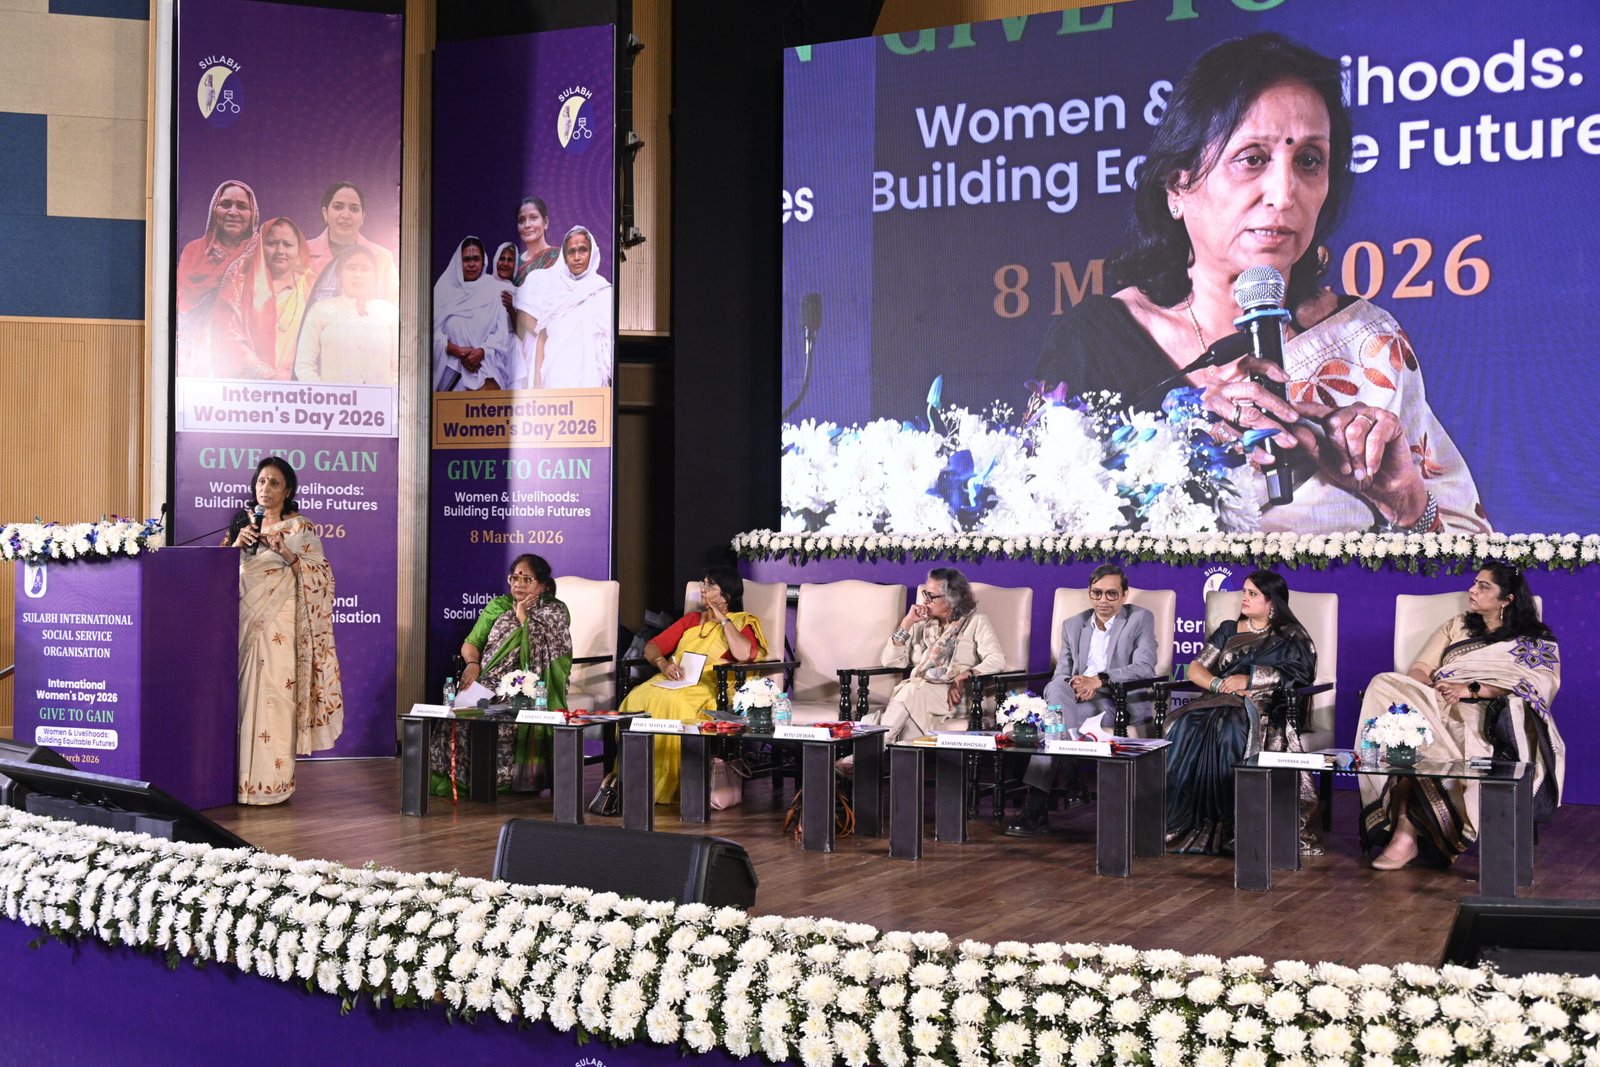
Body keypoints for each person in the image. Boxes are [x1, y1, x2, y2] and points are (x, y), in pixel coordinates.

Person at [1034, 33, 1488, 535]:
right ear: (1178, 183)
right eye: (1252, 158)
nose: (1284, 193)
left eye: (1309, 161)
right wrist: (1177, 440)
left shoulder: (1367, 344)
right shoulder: (1093, 343)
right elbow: (1030, 535)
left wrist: (1406, 504)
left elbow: (1478, 569)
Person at [1359, 563, 1562, 870]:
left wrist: (1470, 689)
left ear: (1507, 599)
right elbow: (1419, 669)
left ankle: (1407, 832)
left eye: (1484, 586)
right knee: (1383, 682)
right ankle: (1408, 825)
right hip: (1436, 701)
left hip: (1484, 711)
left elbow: (1536, 685)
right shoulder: (1457, 625)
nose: (1472, 590)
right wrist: (1434, 689)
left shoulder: (1534, 640)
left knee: (1422, 739)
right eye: (1475, 583)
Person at [1165, 570, 1317, 855]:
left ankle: (1235, 826)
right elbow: (1196, 668)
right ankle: (1183, 822)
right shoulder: (1228, 629)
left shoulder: (1291, 635)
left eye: (1252, 594)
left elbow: (1302, 674)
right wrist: (1219, 684)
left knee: (1229, 728)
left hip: (1264, 706)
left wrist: (1249, 679)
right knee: (1185, 723)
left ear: (1272, 601)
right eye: (1244, 592)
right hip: (1220, 699)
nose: (1244, 598)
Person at [1004, 564, 1160, 837]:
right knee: (1056, 689)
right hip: (1074, 700)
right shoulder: (1073, 624)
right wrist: (1075, 686)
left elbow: (1145, 667)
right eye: (1097, 593)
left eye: (1112, 594)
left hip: (1115, 702)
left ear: (1124, 595)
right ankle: (1070, 772)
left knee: (1050, 725)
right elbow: (1062, 672)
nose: (1103, 600)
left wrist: (1099, 680)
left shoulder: (1139, 618)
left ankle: (1038, 806)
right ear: (1089, 593)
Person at [223, 456, 344, 804]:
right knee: (243, 698)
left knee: (275, 697)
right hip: (243, 626)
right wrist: (236, 545)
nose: (266, 488)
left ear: (287, 490)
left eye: (274, 483)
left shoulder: (300, 529)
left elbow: (323, 580)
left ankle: (272, 785)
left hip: (280, 629)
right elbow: (217, 573)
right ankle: (236, 782)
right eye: (261, 481)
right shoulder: (241, 522)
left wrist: (287, 554)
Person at [618, 566, 767, 803]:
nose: (702, 589)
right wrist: (662, 664)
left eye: (710, 586)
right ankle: (633, 779)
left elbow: (743, 655)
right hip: (677, 679)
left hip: (712, 685)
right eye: (702, 583)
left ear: (726, 596)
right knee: (636, 698)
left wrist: (723, 620)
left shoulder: (741, 622)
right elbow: (652, 646)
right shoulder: (692, 620)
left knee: (677, 703)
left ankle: (675, 783)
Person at [430, 554, 574, 797]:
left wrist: (523, 617)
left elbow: (555, 652)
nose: (518, 584)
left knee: (504, 717)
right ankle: (462, 779)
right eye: (514, 578)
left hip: (529, 684)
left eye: (526, 579)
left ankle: (502, 782)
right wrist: (472, 664)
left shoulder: (554, 611)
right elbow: (471, 643)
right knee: (456, 714)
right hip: (488, 679)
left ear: (543, 585)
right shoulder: (498, 606)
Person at [844, 568, 1006, 768]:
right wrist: (907, 622)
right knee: (910, 713)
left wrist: (965, 675)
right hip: (918, 693)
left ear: (951, 599)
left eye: (931, 596)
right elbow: (891, 661)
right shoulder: (921, 623)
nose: (925, 600)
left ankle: (864, 757)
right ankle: (902, 779)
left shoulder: (976, 621)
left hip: (954, 696)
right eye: (925, 594)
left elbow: (996, 659)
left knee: (910, 692)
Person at [212, 216, 313, 380]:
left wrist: (293, 377)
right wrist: (266, 374)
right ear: (260, 246)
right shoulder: (239, 284)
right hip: (250, 386)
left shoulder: (311, 285)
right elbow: (229, 336)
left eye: (287, 244)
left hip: (299, 384)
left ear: (299, 248)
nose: (280, 251)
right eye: (272, 243)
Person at [513, 225, 614, 389]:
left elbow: (609, 347)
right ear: (564, 258)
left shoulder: (602, 291)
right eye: (571, 252)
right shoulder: (554, 292)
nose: (577, 257)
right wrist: (537, 384)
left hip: (589, 381)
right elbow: (542, 338)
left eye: (582, 250)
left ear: (592, 253)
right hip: (554, 379)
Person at [176, 179, 259, 375]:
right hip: (196, 348)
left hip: (245, 348)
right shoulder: (194, 250)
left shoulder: (260, 252)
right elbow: (181, 304)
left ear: (253, 214)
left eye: (242, 206)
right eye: (225, 204)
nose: (233, 212)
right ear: (214, 209)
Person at [294, 245, 400, 385]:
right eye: (351, 268)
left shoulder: (389, 312)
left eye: (365, 269)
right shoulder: (321, 310)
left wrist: (389, 392)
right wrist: (325, 394)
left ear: (375, 276)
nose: (358, 274)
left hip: (382, 398)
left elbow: (400, 366)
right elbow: (303, 365)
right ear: (339, 274)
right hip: (334, 398)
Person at [432, 236, 513, 392]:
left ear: (483, 262)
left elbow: (501, 334)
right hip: (449, 372)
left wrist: (482, 351)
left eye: (476, 259)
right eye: (466, 259)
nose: (471, 264)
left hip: (484, 370)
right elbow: (430, 334)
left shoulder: (493, 289)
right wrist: (455, 350)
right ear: (458, 262)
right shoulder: (443, 291)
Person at [304, 181, 398, 301]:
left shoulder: (383, 257)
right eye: (338, 207)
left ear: (363, 217)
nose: (346, 215)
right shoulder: (301, 253)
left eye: (354, 209)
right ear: (325, 213)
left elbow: (393, 305)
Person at [511, 195, 559, 284]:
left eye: (533, 218)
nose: (527, 225)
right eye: (521, 220)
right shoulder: (513, 262)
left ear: (545, 222)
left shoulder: (558, 257)